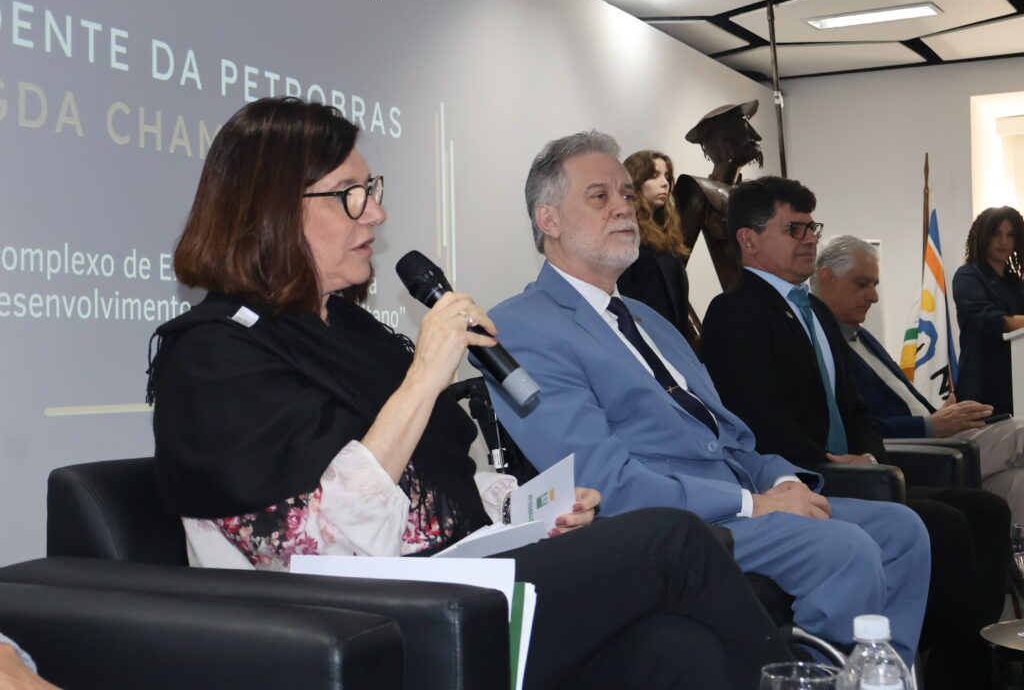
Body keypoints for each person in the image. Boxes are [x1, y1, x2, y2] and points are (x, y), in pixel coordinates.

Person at [146, 97, 795, 690]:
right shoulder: (211, 358)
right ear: (271, 209)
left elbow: (434, 488)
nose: (376, 211)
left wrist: (530, 512)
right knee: (676, 541)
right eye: (350, 194)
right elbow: (306, 552)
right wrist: (424, 378)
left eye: (371, 189)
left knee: (678, 651)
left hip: (455, 587)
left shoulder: (349, 332)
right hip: (365, 623)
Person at [482, 129, 929, 668]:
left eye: (626, 193)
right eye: (599, 196)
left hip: (741, 499)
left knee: (903, 531)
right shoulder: (519, 327)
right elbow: (603, 479)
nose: (624, 207)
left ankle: (881, 680)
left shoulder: (650, 321)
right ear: (547, 220)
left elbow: (728, 437)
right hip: (663, 524)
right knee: (846, 551)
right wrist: (754, 503)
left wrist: (778, 479)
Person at [699, 177, 1010, 689]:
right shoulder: (734, 312)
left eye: (811, 227)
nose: (807, 238)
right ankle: (936, 673)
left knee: (985, 510)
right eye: (792, 227)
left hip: (857, 472)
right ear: (748, 240)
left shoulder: (817, 310)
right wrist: (824, 459)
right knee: (947, 526)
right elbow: (756, 419)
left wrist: (866, 454)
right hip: (802, 477)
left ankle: (960, 665)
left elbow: (857, 409)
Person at [813, 234, 1024, 525]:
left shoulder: (861, 336)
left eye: (875, 285)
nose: (874, 296)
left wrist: (939, 414)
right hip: (912, 449)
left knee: (1018, 483)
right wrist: (930, 425)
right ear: (826, 278)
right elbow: (859, 427)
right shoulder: (821, 346)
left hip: (942, 439)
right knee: (1021, 432)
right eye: (863, 284)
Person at [673, 101, 763, 291]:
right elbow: (674, 264)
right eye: (741, 128)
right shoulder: (700, 189)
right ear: (722, 140)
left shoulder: (752, 194)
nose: (754, 136)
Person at [616, 150, 696, 344]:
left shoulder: (668, 236)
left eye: (667, 176)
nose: (665, 183)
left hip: (674, 340)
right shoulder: (623, 234)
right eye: (654, 176)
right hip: (645, 342)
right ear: (635, 181)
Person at [953, 206, 1024, 415]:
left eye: (1010, 235)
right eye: (996, 234)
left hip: (1016, 385)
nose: (1003, 241)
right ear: (983, 236)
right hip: (981, 386)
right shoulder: (967, 276)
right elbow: (990, 320)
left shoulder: (1015, 282)